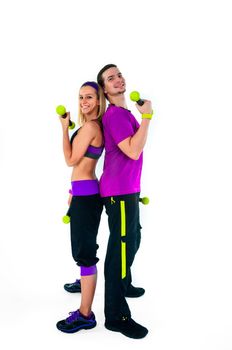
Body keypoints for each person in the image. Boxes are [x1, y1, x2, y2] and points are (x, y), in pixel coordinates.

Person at [96, 64, 153, 339]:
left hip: (127, 189)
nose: (118, 80)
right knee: (119, 252)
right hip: (118, 192)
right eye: (111, 78)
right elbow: (132, 150)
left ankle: (124, 282)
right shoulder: (115, 115)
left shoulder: (123, 113)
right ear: (105, 90)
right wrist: (148, 118)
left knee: (134, 239)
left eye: (118, 75)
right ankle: (115, 315)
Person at [56, 81, 105, 333]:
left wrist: (64, 129)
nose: (84, 101)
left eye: (89, 97)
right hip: (83, 193)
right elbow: (80, 166)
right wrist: (72, 190)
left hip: (87, 197)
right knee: (82, 248)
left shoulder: (91, 127)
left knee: (84, 253)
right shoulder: (89, 126)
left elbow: (71, 160)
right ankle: (85, 281)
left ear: (98, 101)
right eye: (81, 97)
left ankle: (86, 315)